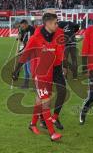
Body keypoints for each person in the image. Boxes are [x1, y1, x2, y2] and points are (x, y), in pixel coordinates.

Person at [12, 13, 64, 141]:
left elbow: (58, 57)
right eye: (55, 23)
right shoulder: (35, 38)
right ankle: (52, 133)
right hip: (39, 75)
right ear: (47, 24)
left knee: (39, 101)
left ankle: (32, 124)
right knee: (46, 102)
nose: (57, 25)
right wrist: (17, 70)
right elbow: (25, 54)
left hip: (50, 74)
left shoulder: (55, 37)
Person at [17, 19, 35, 88]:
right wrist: (19, 37)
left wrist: (22, 51)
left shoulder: (31, 30)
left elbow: (29, 43)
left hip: (30, 51)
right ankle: (26, 84)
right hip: (25, 51)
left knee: (30, 69)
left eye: (23, 26)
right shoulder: (24, 30)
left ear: (26, 24)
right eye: (21, 27)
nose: (22, 28)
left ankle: (35, 85)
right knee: (25, 69)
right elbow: (23, 40)